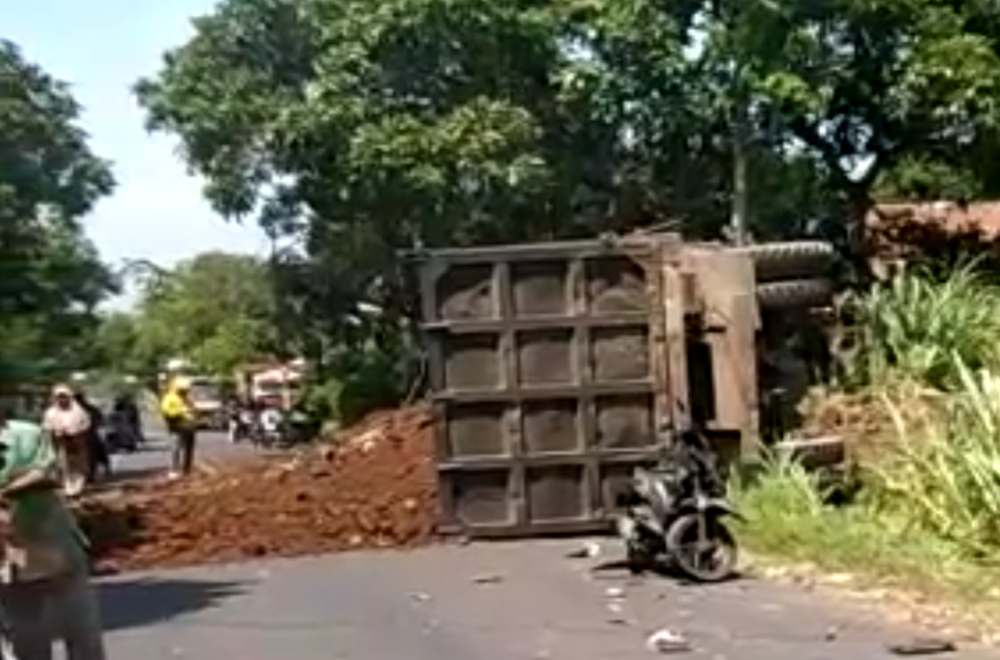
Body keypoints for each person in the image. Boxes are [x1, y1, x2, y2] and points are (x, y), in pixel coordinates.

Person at [0, 409, 107, 660]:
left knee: (81, 629)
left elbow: (48, 473)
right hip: (11, 555)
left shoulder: (26, 435)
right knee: (27, 633)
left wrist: (7, 490)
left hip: (51, 538)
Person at [41, 385, 91, 497]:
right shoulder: (50, 413)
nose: (62, 399)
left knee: (79, 463)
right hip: (60, 441)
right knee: (64, 463)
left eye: (64, 396)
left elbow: (86, 424)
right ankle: (68, 484)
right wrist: (56, 431)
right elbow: (47, 427)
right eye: (59, 397)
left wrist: (76, 431)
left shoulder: (79, 411)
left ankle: (79, 484)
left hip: (77, 440)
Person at [159, 376, 197, 479]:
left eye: (186, 389)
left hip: (189, 426)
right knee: (176, 448)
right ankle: (174, 470)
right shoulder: (169, 398)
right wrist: (180, 413)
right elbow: (166, 411)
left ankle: (187, 470)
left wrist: (192, 416)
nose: (186, 391)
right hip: (177, 427)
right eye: (184, 389)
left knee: (189, 449)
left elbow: (193, 410)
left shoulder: (187, 398)